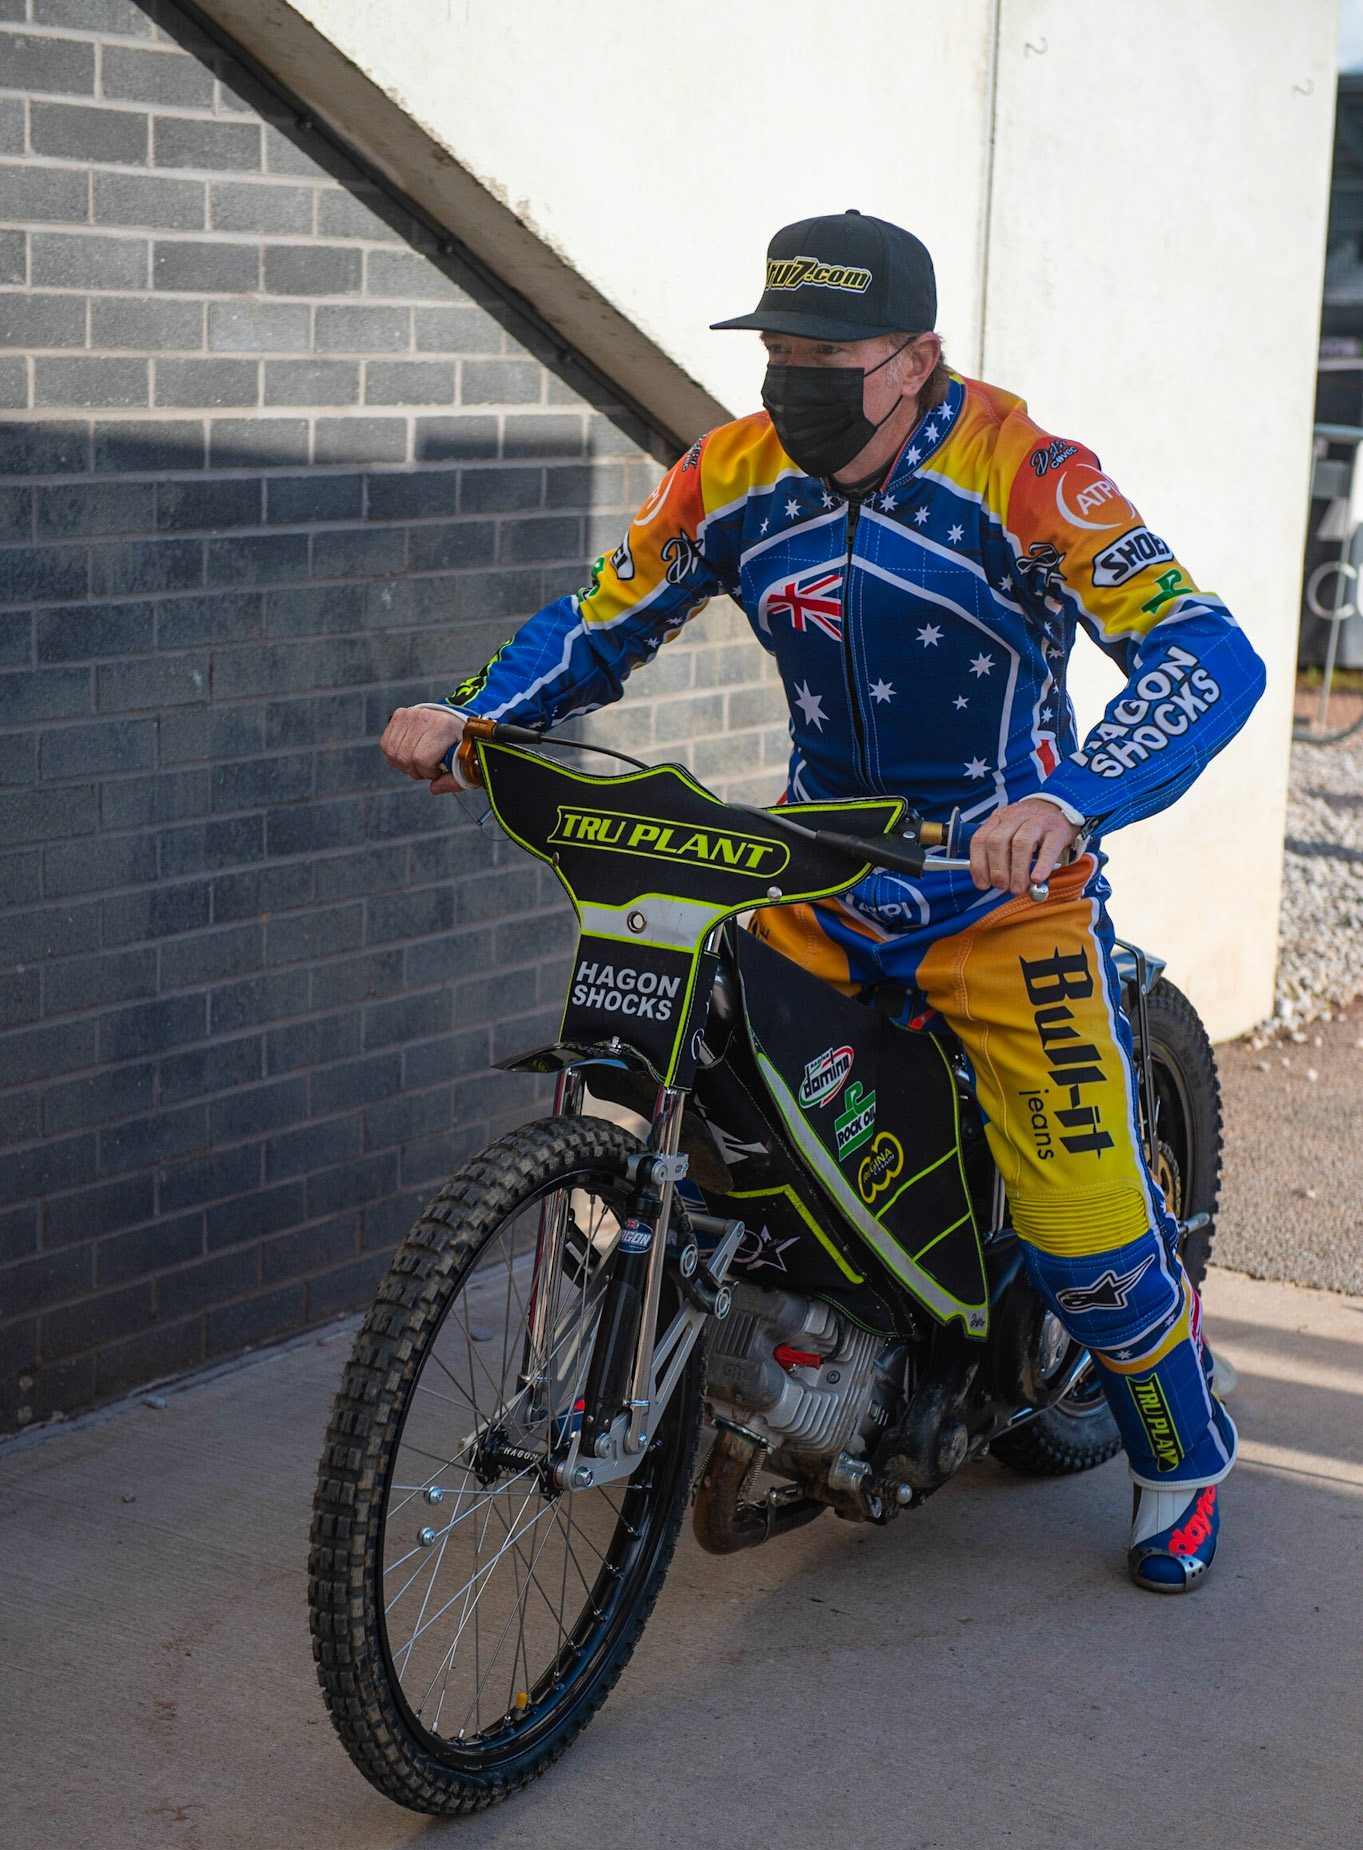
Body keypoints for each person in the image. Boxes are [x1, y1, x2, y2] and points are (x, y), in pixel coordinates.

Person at [381, 210, 1264, 1593]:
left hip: (1003, 895)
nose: (791, 375)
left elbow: (1205, 651)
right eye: (777, 346)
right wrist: (476, 713)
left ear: (915, 358)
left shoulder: (1027, 471)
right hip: (816, 871)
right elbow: (603, 615)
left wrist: (1073, 799)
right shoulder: (731, 473)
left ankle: (1187, 1451)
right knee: (746, 1122)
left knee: (1088, 1232)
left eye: (826, 352)